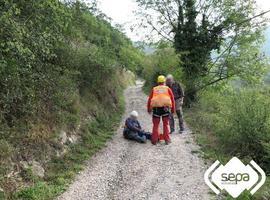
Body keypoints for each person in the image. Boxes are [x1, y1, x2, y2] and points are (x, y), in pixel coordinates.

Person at [147, 75, 175, 145]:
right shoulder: (168, 89)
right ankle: (167, 140)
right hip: (165, 109)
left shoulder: (154, 89)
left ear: (158, 82)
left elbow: (149, 100)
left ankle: (154, 140)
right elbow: (172, 99)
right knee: (165, 125)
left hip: (156, 109)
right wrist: (173, 110)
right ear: (164, 81)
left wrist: (149, 109)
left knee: (155, 125)